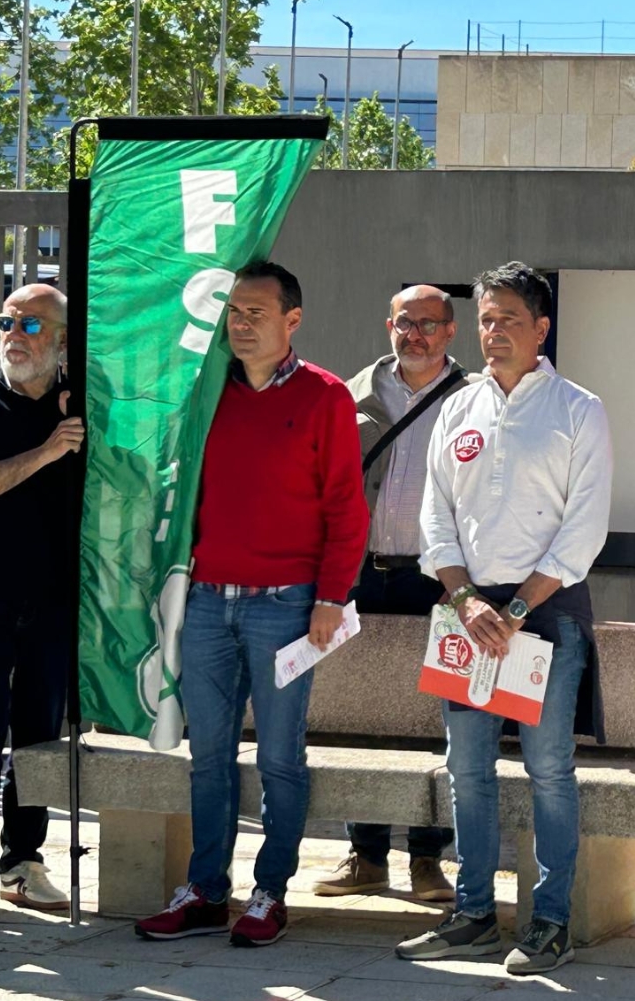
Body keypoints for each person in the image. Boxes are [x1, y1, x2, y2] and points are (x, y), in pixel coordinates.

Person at [134, 261, 369, 947]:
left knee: (279, 759)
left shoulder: (326, 397)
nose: (240, 324)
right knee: (207, 755)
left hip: (287, 607)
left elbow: (346, 509)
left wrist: (331, 597)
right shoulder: (206, 391)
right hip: (207, 603)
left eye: (255, 313)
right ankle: (206, 891)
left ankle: (270, 893)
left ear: (292, 320)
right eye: (233, 312)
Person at [396, 261, 612, 975]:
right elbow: (435, 516)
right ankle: (474, 915)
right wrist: (465, 600)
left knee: (549, 769)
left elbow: (584, 528)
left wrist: (516, 609)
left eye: (508, 320)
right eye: (486, 320)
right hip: (467, 615)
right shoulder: (457, 407)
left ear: (541, 328)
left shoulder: (579, 409)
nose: (493, 332)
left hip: (544, 617)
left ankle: (550, 922)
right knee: (468, 770)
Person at [314, 285, 478, 903]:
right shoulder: (351, 394)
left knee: (437, 715)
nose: (417, 335)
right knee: (363, 713)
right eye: (406, 323)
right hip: (362, 572)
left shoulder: (475, 399)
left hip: (439, 578)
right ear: (389, 326)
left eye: (429, 324)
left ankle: (428, 859)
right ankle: (366, 855)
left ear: (451, 331)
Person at [0, 284, 81, 927]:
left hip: (51, 600)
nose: (14, 334)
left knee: (39, 739)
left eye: (33, 325)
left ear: (63, 340)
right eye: (7, 321)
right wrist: (46, 452)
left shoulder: (78, 403)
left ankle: (23, 860)